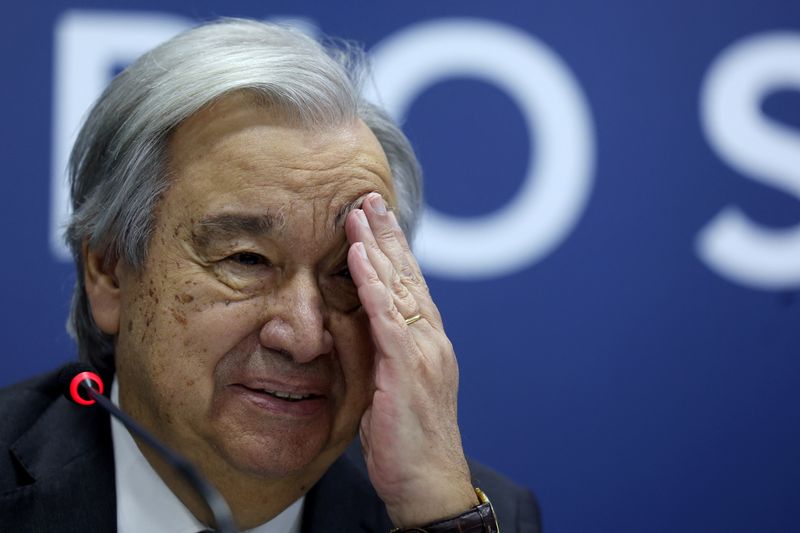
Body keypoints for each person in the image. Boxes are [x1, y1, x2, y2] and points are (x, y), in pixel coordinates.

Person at [0, 18, 541, 532]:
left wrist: (437, 520)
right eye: (247, 260)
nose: (305, 338)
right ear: (110, 271)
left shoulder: (460, 511)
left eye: (348, 276)